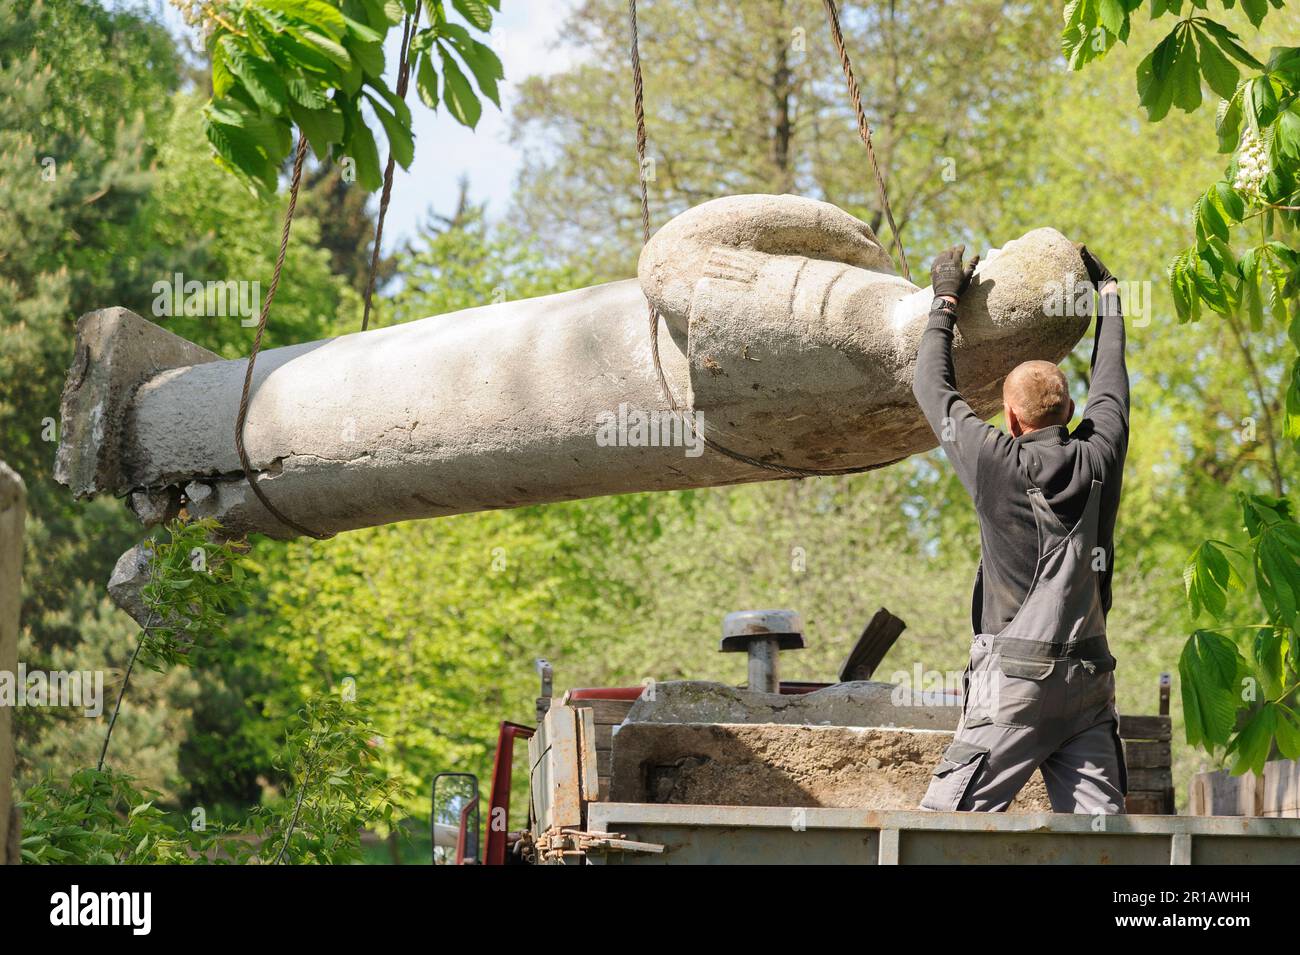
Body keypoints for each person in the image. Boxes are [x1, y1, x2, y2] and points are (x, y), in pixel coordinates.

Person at [912, 243, 1129, 814]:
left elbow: (931, 387)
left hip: (1013, 686)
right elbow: (1112, 385)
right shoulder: (1100, 454)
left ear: (1009, 418)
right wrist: (1109, 296)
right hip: (1088, 684)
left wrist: (945, 299)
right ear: (1071, 410)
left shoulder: (993, 462)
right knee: (1101, 840)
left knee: (941, 832)